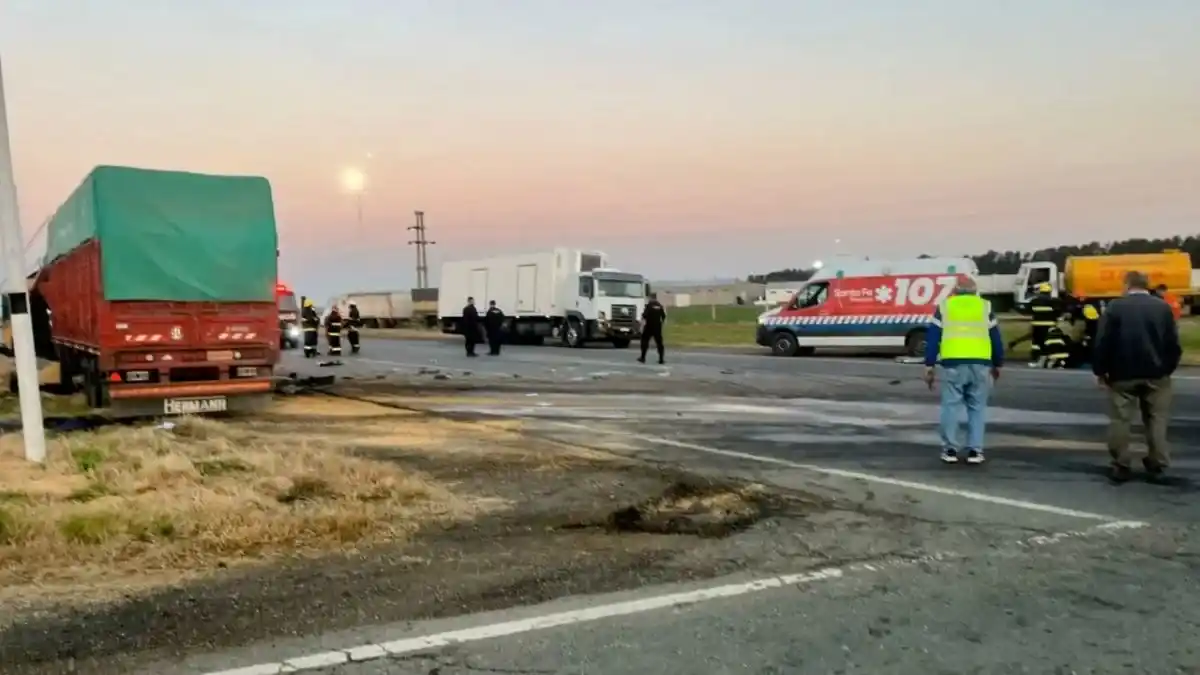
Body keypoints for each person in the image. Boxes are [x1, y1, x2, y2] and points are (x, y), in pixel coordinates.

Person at [1092, 270, 1181, 483]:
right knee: (1156, 419)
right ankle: (1157, 461)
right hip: (1157, 374)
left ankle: (1121, 463)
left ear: (1127, 285)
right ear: (1146, 285)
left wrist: (1100, 370)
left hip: (1122, 374)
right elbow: (1173, 344)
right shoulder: (1162, 308)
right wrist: (1166, 368)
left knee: (1120, 420)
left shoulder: (1115, 308)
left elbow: (1103, 341)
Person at [923, 276, 1005, 465]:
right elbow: (995, 338)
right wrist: (998, 363)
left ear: (955, 291)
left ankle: (950, 449)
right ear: (975, 291)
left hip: (953, 363)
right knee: (977, 408)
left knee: (951, 407)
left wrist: (929, 364)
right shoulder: (985, 306)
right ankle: (975, 451)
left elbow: (933, 337)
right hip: (981, 364)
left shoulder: (945, 307)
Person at [638, 293, 667, 365]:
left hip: (649, 326)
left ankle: (643, 357)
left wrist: (641, 325)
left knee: (644, 341)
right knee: (659, 343)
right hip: (657, 327)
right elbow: (663, 316)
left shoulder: (649, 305)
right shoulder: (660, 306)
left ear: (651, 298)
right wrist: (661, 324)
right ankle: (661, 359)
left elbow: (644, 315)